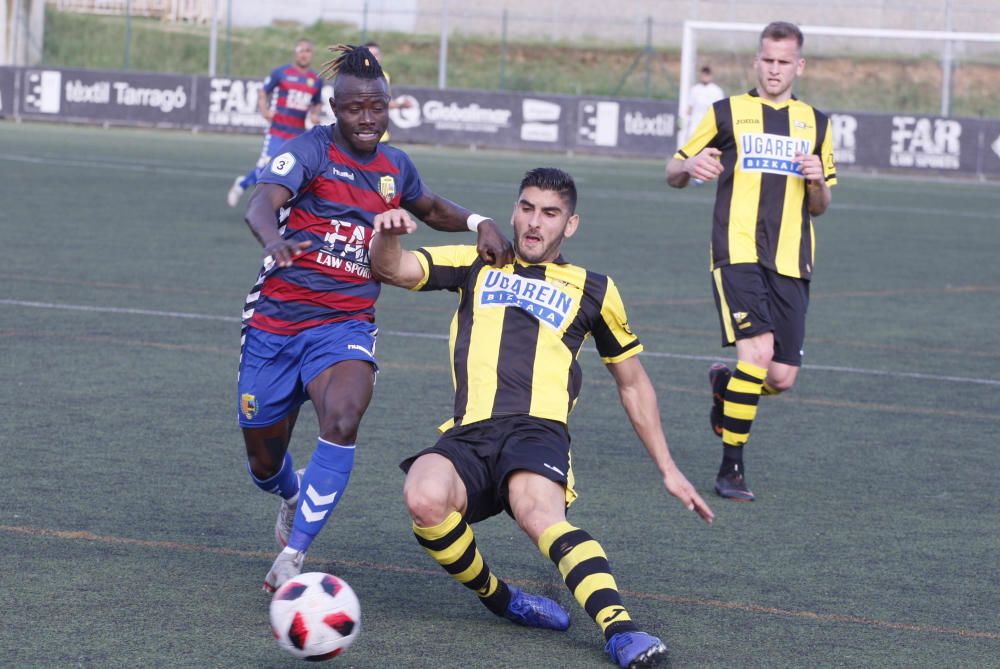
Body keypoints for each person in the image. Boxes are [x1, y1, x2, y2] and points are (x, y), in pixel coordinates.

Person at [370, 167, 714, 668]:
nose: (534, 223)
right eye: (527, 208)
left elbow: (632, 382)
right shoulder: (477, 262)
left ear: (570, 225)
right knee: (422, 497)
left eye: (549, 214)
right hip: (468, 431)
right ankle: (502, 599)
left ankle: (620, 629)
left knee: (538, 515)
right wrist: (387, 233)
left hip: (537, 431)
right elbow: (393, 269)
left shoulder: (594, 289)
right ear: (513, 211)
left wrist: (667, 467)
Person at [237, 44, 512, 593]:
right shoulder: (309, 151)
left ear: (388, 107)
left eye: (377, 108)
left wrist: (480, 221)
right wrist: (274, 241)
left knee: (343, 417)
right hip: (276, 324)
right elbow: (261, 203)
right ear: (334, 109)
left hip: (345, 325)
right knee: (264, 462)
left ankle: (294, 555)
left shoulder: (394, 164)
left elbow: (430, 207)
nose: (367, 120)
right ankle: (291, 495)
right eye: (355, 109)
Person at [665, 21, 837, 502]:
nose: (776, 69)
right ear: (756, 61)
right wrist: (688, 166)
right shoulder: (726, 113)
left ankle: (726, 382)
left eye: (785, 62)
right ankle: (731, 468)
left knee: (779, 376)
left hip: (792, 260)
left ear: (798, 66)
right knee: (757, 356)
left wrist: (818, 181)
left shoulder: (818, 124)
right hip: (736, 253)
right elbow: (672, 170)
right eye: (768, 60)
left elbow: (819, 205)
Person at [227, 39, 324, 208]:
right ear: (295, 53)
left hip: (297, 135)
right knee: (266, 169)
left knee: (291, 171)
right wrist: (264, 111)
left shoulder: (315, 80)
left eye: (307, 50)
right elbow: (263, 92)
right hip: (277, 131)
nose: (304, 54)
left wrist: (315, 115)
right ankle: (242, 185)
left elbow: (317, 102)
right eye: (301, 50)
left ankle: (281, 208)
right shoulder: (281, 73)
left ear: (312, 54)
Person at [362, 40, 413, 142]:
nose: (373, 58)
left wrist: (400, 104)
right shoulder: (356, 77)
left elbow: (385, 102)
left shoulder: (384, 76)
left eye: (376, 55)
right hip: (362, 134)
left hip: (381, 135)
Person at [678, 66, 725, 153]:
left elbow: (720, 109)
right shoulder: (695, 89)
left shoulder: (717, 91)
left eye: (707, 75)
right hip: (695, 125)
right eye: (703, 74)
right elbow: (690, 108)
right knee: (690, 148)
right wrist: (684, 119)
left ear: (711, 76)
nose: (705, 77)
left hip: (710, 125)